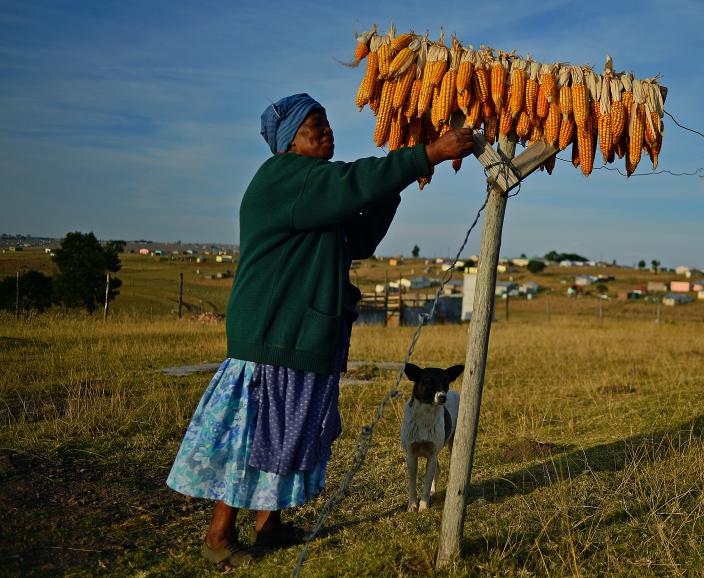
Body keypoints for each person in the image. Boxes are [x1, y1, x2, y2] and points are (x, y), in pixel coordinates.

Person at [166, 93, 474, 570]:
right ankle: (218, 535)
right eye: (315, 124)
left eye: (327, 123)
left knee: (290, 433)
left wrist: (397, 183)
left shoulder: (314, 193)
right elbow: (352, 182)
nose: (327, 131)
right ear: (290, 140)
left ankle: (269, 525)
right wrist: (426, 153)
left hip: (303, 334)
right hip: (274, 335)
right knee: (253, 437)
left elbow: (359, 236)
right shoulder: (284, 178)